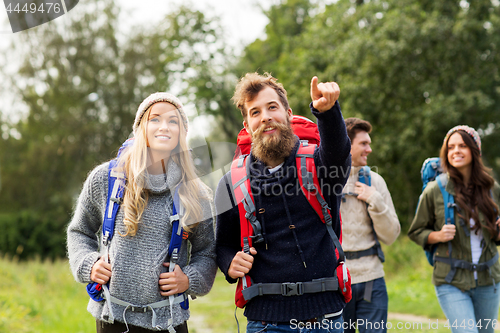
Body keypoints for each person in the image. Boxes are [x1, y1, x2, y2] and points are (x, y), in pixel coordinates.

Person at [67, 92, 217, 333]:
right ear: (140, 128)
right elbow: (79, 231)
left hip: (169, 320)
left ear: (182, 133)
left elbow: (207, 253)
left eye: (173, 121)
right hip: (111, 318)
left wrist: (188, 279)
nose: (163, 127)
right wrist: (89, 263)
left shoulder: (196, 193)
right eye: (155, 119)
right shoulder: (106, 179)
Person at [215, 72, 351, 333]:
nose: (265, 116)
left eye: (272, 107)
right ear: (247, 125)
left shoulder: (320, 165)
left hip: (326, 318)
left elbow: (339, 153)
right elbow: (222, 244)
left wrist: (328, 112)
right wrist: (229, 263)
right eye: (255, 112)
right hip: (265, 322)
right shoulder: (231, 182)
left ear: (288, 114)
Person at [408, 125, 500, 333]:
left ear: (475, 151)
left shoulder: (491, 188)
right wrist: (437, 236)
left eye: (462, 146)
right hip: (450, 279)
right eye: (450, 147)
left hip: (489, 280)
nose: (456, 151)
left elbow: (496, 236)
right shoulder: (435, 190)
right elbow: (416, 231)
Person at [340, 118, 400, 333]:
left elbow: (391, 236)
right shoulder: (324, 181)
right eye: (364, 143)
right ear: (347, 145)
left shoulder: (376, 182)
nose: (369, 149)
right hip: (338, 281)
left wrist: (375, 200)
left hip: (371, 281)